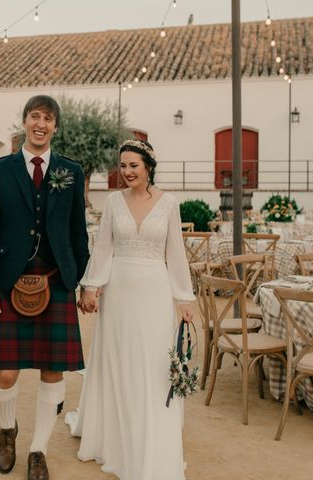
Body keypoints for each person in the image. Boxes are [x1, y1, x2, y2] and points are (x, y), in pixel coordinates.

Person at [66, 139, 195, 480]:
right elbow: (103, 247)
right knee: (120, 360)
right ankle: (116, 435)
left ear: (148, 167)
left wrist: (185, 297)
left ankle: (152, 434)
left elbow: (176, 253)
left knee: (153, 363)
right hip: (119, 292)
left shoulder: (169, 203)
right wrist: (91, 286)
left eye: (133, 166)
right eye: (122, 166)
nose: (126, 172)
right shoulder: (112, 202)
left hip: (156, 291)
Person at [0, 95, 90, 480]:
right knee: (5, 373)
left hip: (56, 282)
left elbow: (78, 233)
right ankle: (7, 430)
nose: (41, 124)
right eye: (35, 117)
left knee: (52, 371)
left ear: (56, 126)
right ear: (25, 122)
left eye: (48, 119)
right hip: (8, 283)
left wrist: (84, 281)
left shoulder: (71, 172)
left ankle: (38, 450)